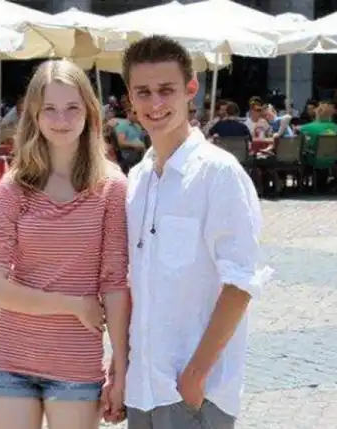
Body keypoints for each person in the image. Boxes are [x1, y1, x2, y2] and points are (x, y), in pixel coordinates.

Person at [119, 35, 270, 429]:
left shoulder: (218, 174)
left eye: (166, 90)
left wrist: (196, 376)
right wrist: (122, 368)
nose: (155, 103)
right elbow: (137, 283)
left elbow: (241, 283)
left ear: (190, 89)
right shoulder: (137, 181)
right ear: (130, 98)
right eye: (143, 92)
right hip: (144, 388)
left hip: (193, 394)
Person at [0, 59, 130, 429]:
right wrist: (73, 304)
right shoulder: (15, 187)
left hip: (76, 362)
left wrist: (122, 366)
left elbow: (115, 283)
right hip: (9, 358)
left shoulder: (111, 188)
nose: (61, 120)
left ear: (90, 112)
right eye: (50, 109)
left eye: (72, 107)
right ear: (35, 115)